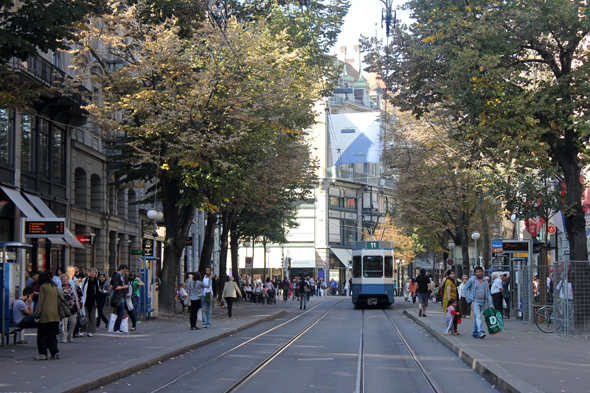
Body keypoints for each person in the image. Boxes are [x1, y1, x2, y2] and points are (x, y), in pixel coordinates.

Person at [34, 272, 61, 360]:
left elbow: (40, 302)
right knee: (52, 334)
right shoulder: (54, 286)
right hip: (55, 314)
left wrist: (37, 315)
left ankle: (43, 353)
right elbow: (61, 297)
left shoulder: (43, 287)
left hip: (45, 315)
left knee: (42, 335)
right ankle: (54, 352)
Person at [463, 266, 494, 339]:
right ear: (475, 273)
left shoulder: (485, 281)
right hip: (475, 301)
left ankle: (475, 332)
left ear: (482, 272)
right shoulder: (472, 280)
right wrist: (469, 298)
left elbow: (488, 292)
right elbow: (465, 288)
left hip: (483, 302)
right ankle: (480, 331)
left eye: (480, 271)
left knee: (478, 317)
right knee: (478, 317)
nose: (479, 273)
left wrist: (490, 304)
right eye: (477, 272)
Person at [58, 274, 79, 343]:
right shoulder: (59, 288)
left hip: (72, 307)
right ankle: (64, 338)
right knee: (64, 324)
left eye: (66, 279)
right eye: (63, 279)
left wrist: (78, 305)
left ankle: (70, 336)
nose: (65, 280)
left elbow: (76, 296)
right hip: (64, 308)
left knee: (73, 322)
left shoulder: (72, 287)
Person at [80, 268, 100, 337]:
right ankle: (81, 330)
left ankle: (90, 331)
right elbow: (82, 289)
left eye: (93, 272)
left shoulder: (96, 281)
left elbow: (97, 292)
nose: (92, 273)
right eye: (91, 272)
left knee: (92, 317)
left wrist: (97, 302)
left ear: (96, 274)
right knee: (85, 316)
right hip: (86, 300)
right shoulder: (85, 280)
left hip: (93, 301)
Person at [111, 265, 129, 333]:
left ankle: (117, 327)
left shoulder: (122, 276)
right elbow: (116, 287)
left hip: (122, 295)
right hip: (119, 296)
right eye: (124, 270)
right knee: (121, 312)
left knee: (120, 312)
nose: (125, 272)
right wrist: (124, 287)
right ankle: (116, 328)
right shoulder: (117, 276)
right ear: (121, 269)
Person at [442, 269, 460, 334]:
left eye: (453, 273)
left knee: (454, 317)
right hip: (451, 300)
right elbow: (448, 292)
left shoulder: (453, 281)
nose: (453, 275)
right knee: (451, 316)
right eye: (451, 274)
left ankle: (454, 330)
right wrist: (450, 302)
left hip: (454, 300)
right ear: (449, 275)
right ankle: (450, 330)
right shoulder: (449, 281)